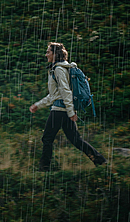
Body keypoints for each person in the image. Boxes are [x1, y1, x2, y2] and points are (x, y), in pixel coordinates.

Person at [29, 42, 107, 172]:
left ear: (55, 54)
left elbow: (65, 92)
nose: (46, 54)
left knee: (47, 138)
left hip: (59, 111)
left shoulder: (58, 69)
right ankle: (100, 161)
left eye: (48, 52)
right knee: (76, 140)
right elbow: (55, 95)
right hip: (64, 110)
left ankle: (44, 170)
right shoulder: (63, 68)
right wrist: (38, 105)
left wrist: (71, 112)